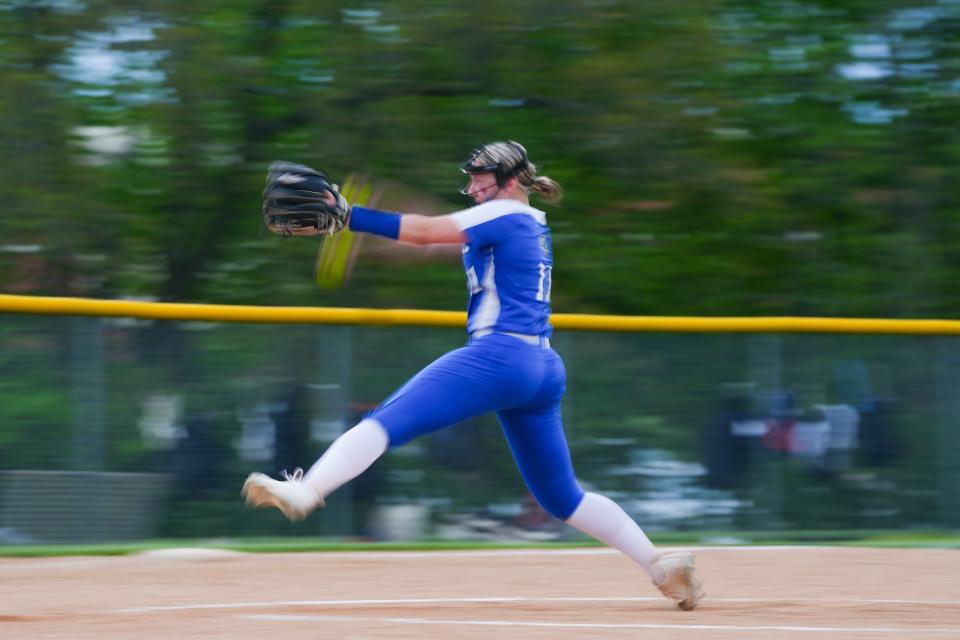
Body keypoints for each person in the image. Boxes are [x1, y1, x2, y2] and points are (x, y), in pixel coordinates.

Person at [242, 140, 704, 610]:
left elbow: (423, 233)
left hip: (499, 356)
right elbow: (433, 241)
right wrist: (377, 230)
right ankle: (660, 566)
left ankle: (307, 489)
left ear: (507, 178)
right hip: (542, 368)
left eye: (479, 177)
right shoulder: (530, 222)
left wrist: (349, 214)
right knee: (562, 497)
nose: (470, 187)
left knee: (386, 421)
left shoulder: (501, 213)